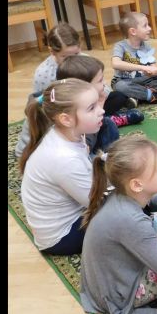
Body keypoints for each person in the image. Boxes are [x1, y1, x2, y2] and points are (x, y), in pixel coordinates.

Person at [80, 135, 157, 314]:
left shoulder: (123, 192)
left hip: (109, 277)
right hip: (118, 294)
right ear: (137, 184)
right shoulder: (130, 219)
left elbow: (153, 200)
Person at [19, 79, 105, 255]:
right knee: (129, 211)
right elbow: (99, 202)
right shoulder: (64, 158)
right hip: (62, 237)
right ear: (66, 119)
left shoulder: (65, 134)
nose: (101, 110)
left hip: (70, 214)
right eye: (92, 108)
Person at [14, 23, 82, 157]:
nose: (72, 60)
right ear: (52, 52)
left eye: (76, 54)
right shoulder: (44, 73)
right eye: (65, 57)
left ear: (80, 46)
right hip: (53, 113)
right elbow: (39, 107)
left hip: (77, 108)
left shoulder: (85, 61)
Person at [111, 11, 157, 104]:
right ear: (133, 31)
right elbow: (116, 63)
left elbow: (153, 66)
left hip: (145, 80)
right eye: (145, 26)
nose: (149, 28)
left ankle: (138, 95)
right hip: (125, 81)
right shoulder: (120, 46)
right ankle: (156, 96)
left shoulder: (146, 46)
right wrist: (143, 68)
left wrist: (154, 71)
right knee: (121, 87)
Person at [58, 54, 143, 131]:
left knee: (118, 96)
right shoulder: (78, 110)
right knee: (107, 129)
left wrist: (101, 99)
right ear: (85, 85)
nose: (105, 82)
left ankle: (110, 119)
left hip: (96, 112)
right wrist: (101, 103)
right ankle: (113, 120)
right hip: (92, 127)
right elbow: (93, 127)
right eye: (100, 80)